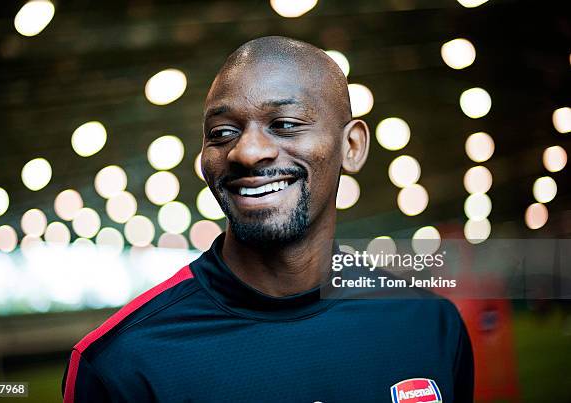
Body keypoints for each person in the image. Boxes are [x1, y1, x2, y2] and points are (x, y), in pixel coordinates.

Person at [62, 35, 473, 402]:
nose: (247, 152)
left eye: (285, 125)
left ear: (352, 146)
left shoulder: (428, 325)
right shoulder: (122, 364)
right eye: (222, 133)